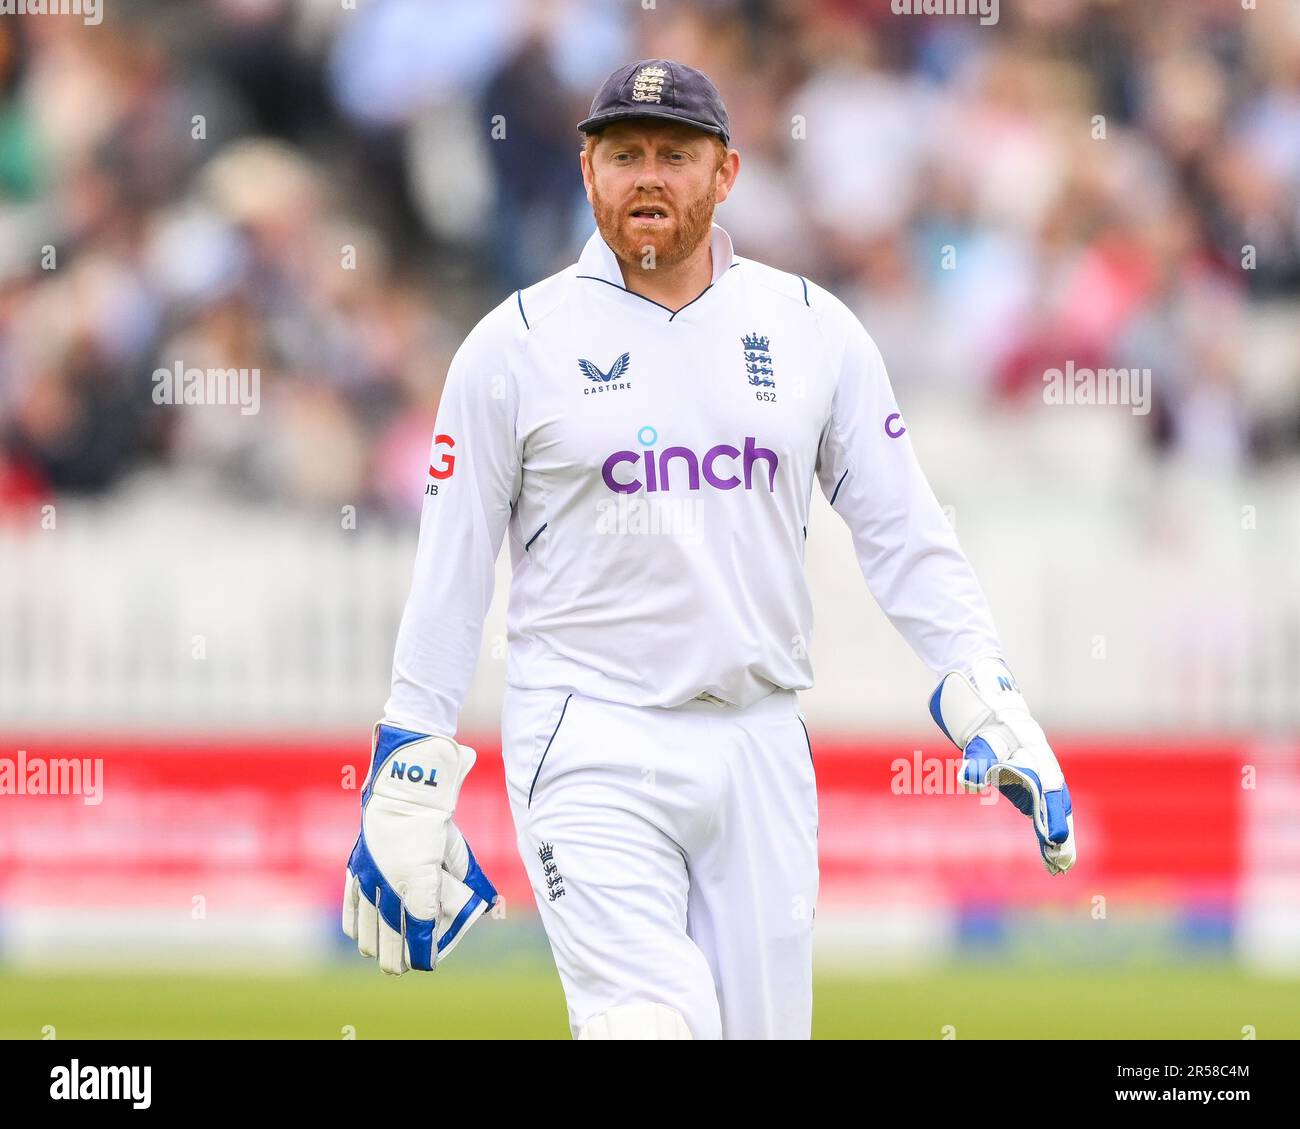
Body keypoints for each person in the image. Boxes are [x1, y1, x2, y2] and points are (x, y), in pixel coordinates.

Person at [341, 59, 1076, 1040]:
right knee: (646, 1020)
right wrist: (410, 759)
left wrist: (984, 690)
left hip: (759, 737)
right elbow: (452, 569)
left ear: (725, 174)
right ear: (586, 169)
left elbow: (903, 529)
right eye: (625, 155)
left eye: (675, 156)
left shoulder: (813, 330)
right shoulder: (510, 346)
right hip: (588, 730)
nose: (649, 177)